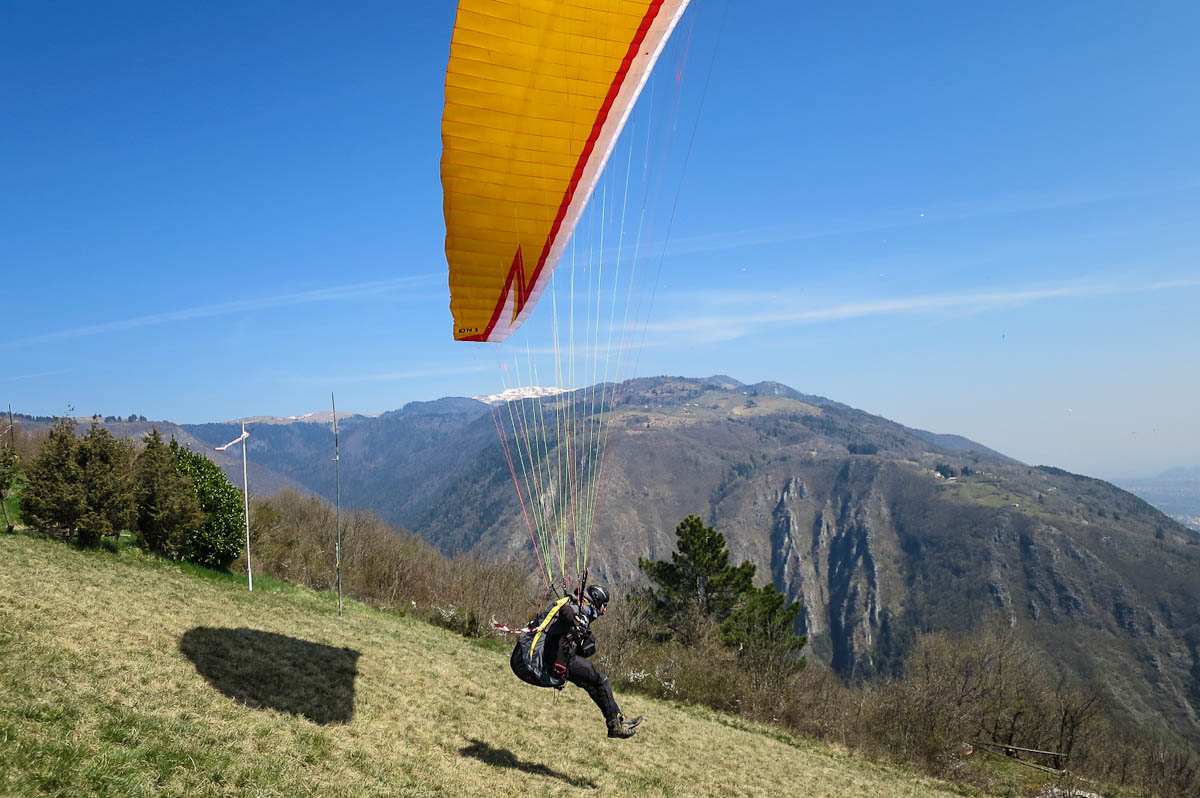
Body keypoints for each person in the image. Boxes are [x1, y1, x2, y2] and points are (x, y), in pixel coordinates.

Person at [542, 584, 642, 739]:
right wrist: (577, 620)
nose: (605, 610)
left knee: (592, 685)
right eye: (604, 605)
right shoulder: (582, 607)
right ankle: (614, 726)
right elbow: (566, 612)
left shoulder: (584, 607)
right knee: (601, 680)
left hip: (561, 656)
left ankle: (617, 719)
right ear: (597, 600)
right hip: (562, 658)